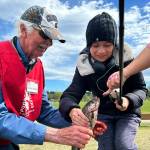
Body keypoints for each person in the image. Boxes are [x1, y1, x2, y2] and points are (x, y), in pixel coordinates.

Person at [0, 5, 94, 150]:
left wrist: (79, 123)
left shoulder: (38, 67)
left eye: (52, 39)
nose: (49, 43)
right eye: (45, 35)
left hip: (7, 142)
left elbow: (44, 111)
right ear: (24, 29)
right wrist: (56, 134)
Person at [59, 12, 147, 150]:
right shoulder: (84, 66)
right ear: (88, 46)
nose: (101, 51)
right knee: (106, 147)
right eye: (95, 45)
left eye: (107, 45)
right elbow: (70, 95)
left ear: (115, 44)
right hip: (103, 115)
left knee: (123, 144)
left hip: (129, 113)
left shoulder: (127, 60)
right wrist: (71, 109)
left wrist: (128, 101)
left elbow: (141, 89)